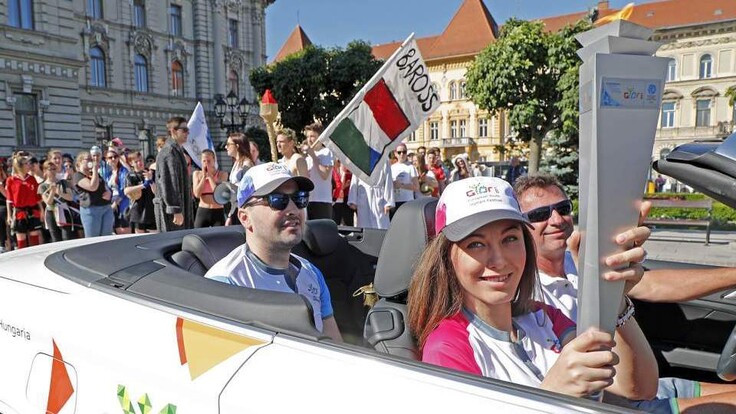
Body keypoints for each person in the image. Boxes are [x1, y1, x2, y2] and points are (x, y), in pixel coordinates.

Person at [408, 176, 662, 406]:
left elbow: (637, 389)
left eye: (510, 239)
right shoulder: (448, 347)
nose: (499, 260)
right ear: (446, 259)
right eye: (476, 244)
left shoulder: (542, 315)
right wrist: (550, 393)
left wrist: (612, 296)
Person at [514, 173, 736, 411]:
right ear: (519, 227)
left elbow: (654, 284)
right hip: (613, 400)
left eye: (563, 208)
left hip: (648, 383)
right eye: (539, 215)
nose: (557, 219)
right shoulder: (523, 293)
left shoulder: (580, 261)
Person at [204, 162, 342, 342]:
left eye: (299, 198)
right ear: (245, 218)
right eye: (277, 200)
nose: (293, 209)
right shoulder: (225, 284)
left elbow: (335, 346)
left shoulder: (311, 273)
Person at [154, 116, 193, 232]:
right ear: (173, 131)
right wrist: (175, 209)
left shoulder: (177, 150)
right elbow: (168, 182)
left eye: (188, 130)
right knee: (173, 245)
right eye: (184, 130)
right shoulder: (169, 152)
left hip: (181, 209)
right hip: (171, 213)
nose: (187, 133)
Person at [5, 152, 43, 248]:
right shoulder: (11, 180)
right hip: (19, 212)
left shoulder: (31, 179)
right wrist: (9, 215)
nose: (28, 165)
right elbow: (9, 200)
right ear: (20, 166)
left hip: (33, 211)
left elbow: (37, 197)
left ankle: (35, 257)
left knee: (34, 236)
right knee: (21, 238)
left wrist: (41, 210)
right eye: (26, 164)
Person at [74, 151, 113, 238]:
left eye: (91, 159)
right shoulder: (77, 176)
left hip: (105, 207)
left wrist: (109, 193)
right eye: (88, 159)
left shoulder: (94, 174)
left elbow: (106, 186)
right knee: (93, 239)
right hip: (91, 210)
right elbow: (92, 187)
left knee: (107, 238)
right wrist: (95, 170)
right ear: (79, 162)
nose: (91, 161)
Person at [38, 160, 77, 242]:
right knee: (55, 237)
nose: (52, 171)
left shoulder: (63, 182)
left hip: (63, 209)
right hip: (51, 211)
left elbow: (70, 197)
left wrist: (60, 193)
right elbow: (48, 202)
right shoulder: (42, 186)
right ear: (45, 171)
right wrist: (52, 192)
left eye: (54, 169)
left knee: (66, 236)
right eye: (50, 169)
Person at [348, 162, 394, 230]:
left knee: (380, 224)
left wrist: (388, 202)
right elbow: (355, 179)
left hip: (379, 196)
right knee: (364, 223)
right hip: (364, 195)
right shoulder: (361, 160)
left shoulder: (384, 160)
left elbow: (388, 181)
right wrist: (352, 200)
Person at [302, 123, 334, 220]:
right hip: (309, 199)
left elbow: (324, 175)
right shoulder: (307, 156)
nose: (309, 139)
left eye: (312, 136)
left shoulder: (327, 152)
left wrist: (313, 156)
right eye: (308, 136)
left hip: (322, 200)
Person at [224, 132, 255, 226]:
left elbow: (248, 190)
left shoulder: (247, 164)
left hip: (244, 208)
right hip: (237, 207)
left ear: (237, 146)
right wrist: (230, 215)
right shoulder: (237, 163)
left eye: (228, 144)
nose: (226, 147)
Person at [193, 149, 228, 228]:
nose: (206, 163)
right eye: (204, 161)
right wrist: (203, 178)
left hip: (217, 211)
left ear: (214, 160)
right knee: (199, 235)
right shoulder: (197, 174)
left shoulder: (222, 174)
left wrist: (210, 178)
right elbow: (197, 194)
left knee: (219, 237)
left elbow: (219, 194)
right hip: (203, 210)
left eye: (209, 161)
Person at [124, 151, 157, 234]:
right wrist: (143, 186)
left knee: (155, 237)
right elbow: (126, 191)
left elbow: (156, 192)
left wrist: (151, 181)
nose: (140, 163)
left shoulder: (150, 172)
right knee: (140, 238)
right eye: (136, 161)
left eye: (140, 160)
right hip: (138, 212)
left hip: (151, 210)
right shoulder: (131, 175)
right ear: (131, 163)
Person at [103, 149, 130, 234]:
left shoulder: (123, 171)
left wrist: (116, 203)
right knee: (116, 228)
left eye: (115, 157)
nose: (113, 159)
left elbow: (124, 190)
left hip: (123, 202)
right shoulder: (108, 174)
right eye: (110, 157)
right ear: (107, 160)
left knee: (124, 229)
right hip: (112, 203)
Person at [390, 143, 419, 219]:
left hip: (407, 201)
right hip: (394, 201)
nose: (402, 154)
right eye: (399, 152)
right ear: (395, 153)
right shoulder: (391, 168)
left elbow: (416, 187)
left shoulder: (411, 167)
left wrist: (401, 185)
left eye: (404, 152)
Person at [331, 159, 353, 226]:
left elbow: (339, 186)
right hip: (337, 200)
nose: (340, 163)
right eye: (338, 161)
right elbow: (338, 186)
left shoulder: (335, 171)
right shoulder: (334, 171)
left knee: (336, 221)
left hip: (338, 200)